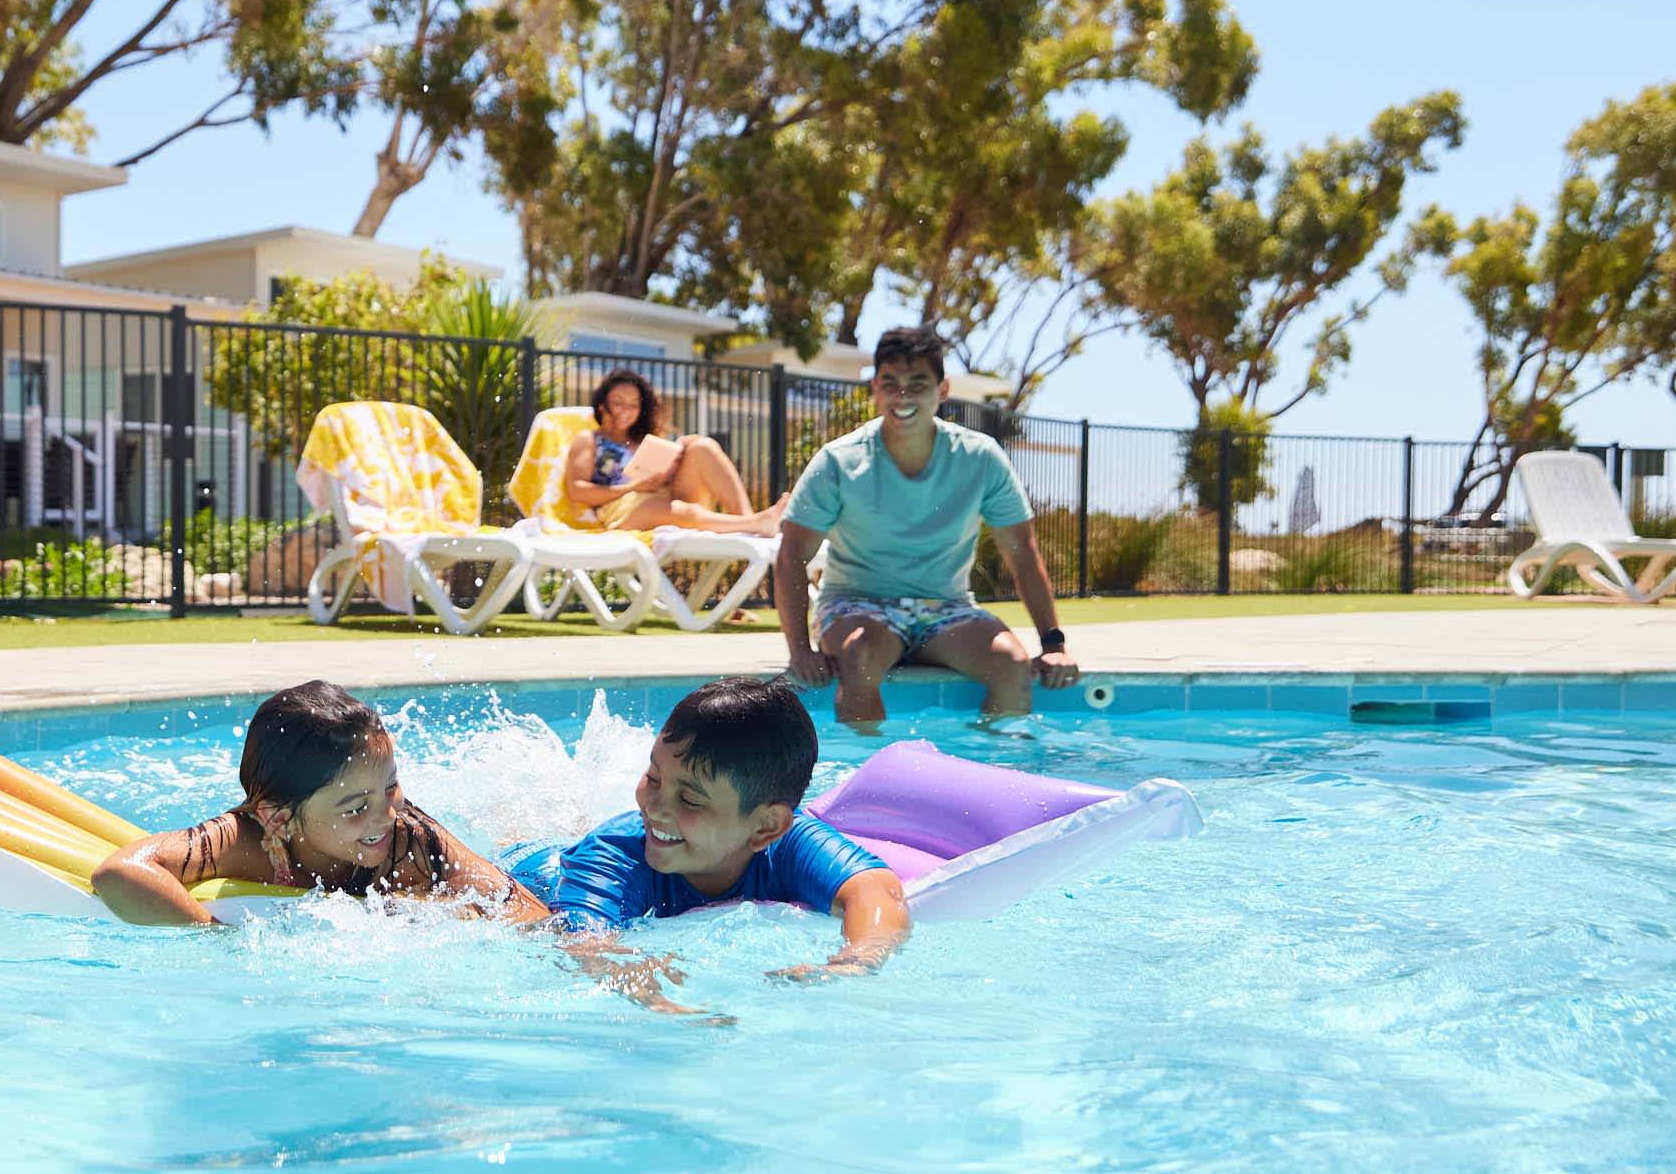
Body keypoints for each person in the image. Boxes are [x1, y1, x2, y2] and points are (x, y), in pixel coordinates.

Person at [506, 677, 909, 1000]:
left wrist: (852, 963)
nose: (656, 807)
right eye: (653, 778)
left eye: (689, 800)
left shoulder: (788, 843)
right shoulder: (613, 857)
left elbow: (877, 891)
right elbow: (581, 943)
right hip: (532, 868)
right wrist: (633, 975)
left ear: (765, 826)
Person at [776, 326, 1081, 723]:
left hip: (947, 609)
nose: (902, 396)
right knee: (860, 654)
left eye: (917, 383)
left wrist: (1052, 643)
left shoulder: (980, 458)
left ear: (943, 389)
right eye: (891, 383)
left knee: (1011, 664)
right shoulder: (840, 460)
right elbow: (791, 554)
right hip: (856, 606)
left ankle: (993, 778)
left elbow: (1022, 555)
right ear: (875, 389)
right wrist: (800, 650)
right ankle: (872, 780)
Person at [92, 681, 550, 927]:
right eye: (354, 808)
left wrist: (434, 914)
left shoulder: (410, 838)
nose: (385, 816)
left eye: (390, 787)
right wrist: (213, 938)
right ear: (278, 816)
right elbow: (120, 873)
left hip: (535, 866)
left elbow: (528, 910)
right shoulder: (247, 838)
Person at [561, 368, 787, 538]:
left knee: (702, 446)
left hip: (660, 497)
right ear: (602, 406)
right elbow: (577, 491)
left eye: (633, 405)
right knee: (682, 511)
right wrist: (634, 487)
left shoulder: (644, 440)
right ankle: (755, 524)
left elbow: (660, 477)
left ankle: (749, 521)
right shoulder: (590, 440)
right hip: (621, 511)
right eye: (618, 403)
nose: (626, 411)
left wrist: (678, 455)